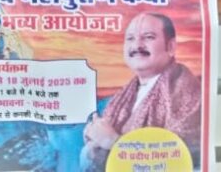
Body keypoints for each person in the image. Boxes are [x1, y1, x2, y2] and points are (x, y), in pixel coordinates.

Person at [80, 13, 202, 172]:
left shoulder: (184, 91)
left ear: (171, 46)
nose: (137, 45)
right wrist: (94, 133)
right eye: (130, 38)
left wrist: (113, 142)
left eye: (148, 37)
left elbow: (179, 159)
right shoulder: (127, 92)